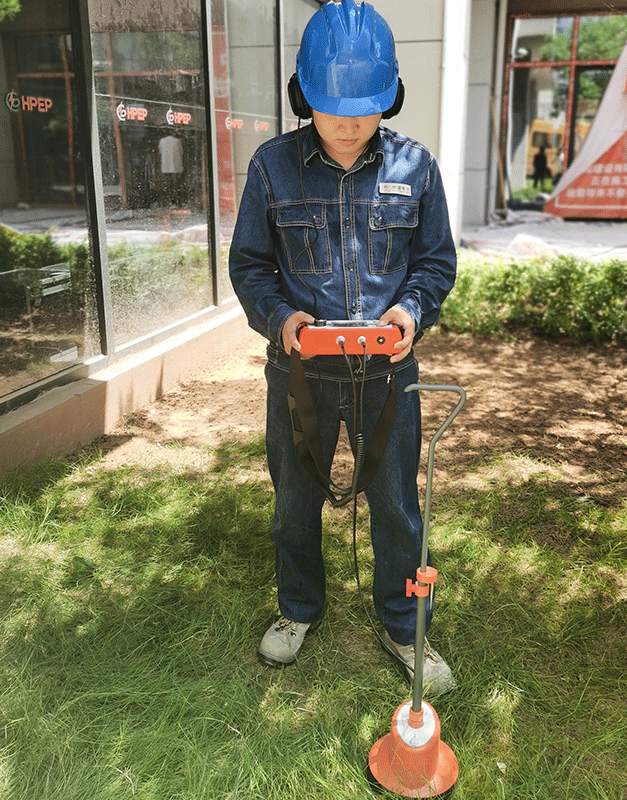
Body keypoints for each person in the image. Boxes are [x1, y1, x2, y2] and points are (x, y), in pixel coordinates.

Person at [229, 0, 457, 696]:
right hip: (300, 372)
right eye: (334, 107)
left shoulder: (417, 167)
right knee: (294, 500)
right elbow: (249, 266)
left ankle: (403, 624)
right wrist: (281, 320)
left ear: (391, 95)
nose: (350, 123)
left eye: (365, 107)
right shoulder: (272, 168)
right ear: (304, 96)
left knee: (396, 504)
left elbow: (435, 263)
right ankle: (299, 608)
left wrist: (410, 312)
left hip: (389, 373)